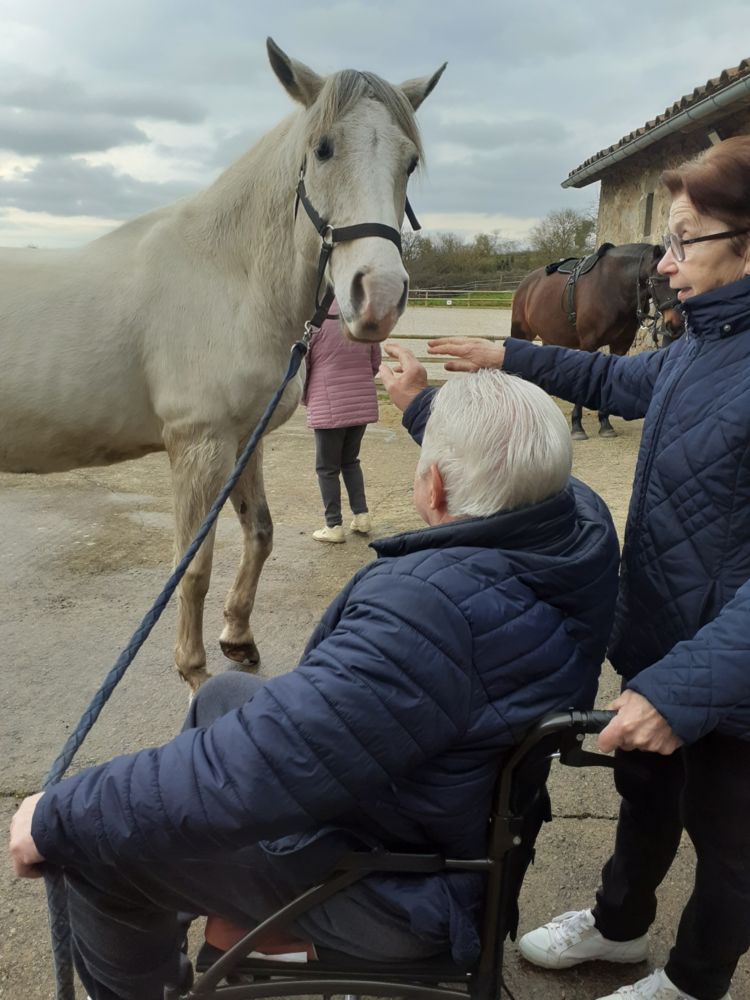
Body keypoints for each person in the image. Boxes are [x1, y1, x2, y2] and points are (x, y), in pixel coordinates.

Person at [9, 362, 619, 1000]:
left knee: (98, 854)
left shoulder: (429, 615)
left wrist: (61, 816)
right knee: (221, 694)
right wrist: (423, 409)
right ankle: (188, 888)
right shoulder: (579, 524)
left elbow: (262, 764)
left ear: (433, 486)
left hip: (395, 885)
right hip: (448, 817)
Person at [400, 135, 750, 1000]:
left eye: (682, 240)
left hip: (731, 683)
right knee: (647, 798)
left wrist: (687, 689)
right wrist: (505, 358)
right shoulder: (707, 346)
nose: (665, 265)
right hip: (671, 648)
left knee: (735, 844)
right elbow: (618, 385)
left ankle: (695, 980)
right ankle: (622, 929)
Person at [302, 299, 381, 543]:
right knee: (350, 460)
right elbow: (375, 362)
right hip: (361, 400)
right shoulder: (364, 318)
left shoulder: (315, 321)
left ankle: (334, 524)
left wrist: (306, 397)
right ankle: (361, 515)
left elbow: (304, 364)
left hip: (328, 402)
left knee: (326, 468)